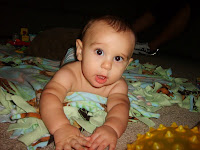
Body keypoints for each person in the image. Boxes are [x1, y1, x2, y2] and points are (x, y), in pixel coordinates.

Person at [39, 15, 136, 150]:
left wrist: (112, 128)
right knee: (67, 57)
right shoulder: (69, 74)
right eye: (99, 51)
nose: (107, 65)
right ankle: (71, 50)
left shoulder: (117, 85)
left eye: (118, 58)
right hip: (72, 60)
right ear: (81, 50)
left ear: (126, 65)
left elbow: (120, 106)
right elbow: (50, 95)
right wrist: (61, 126)